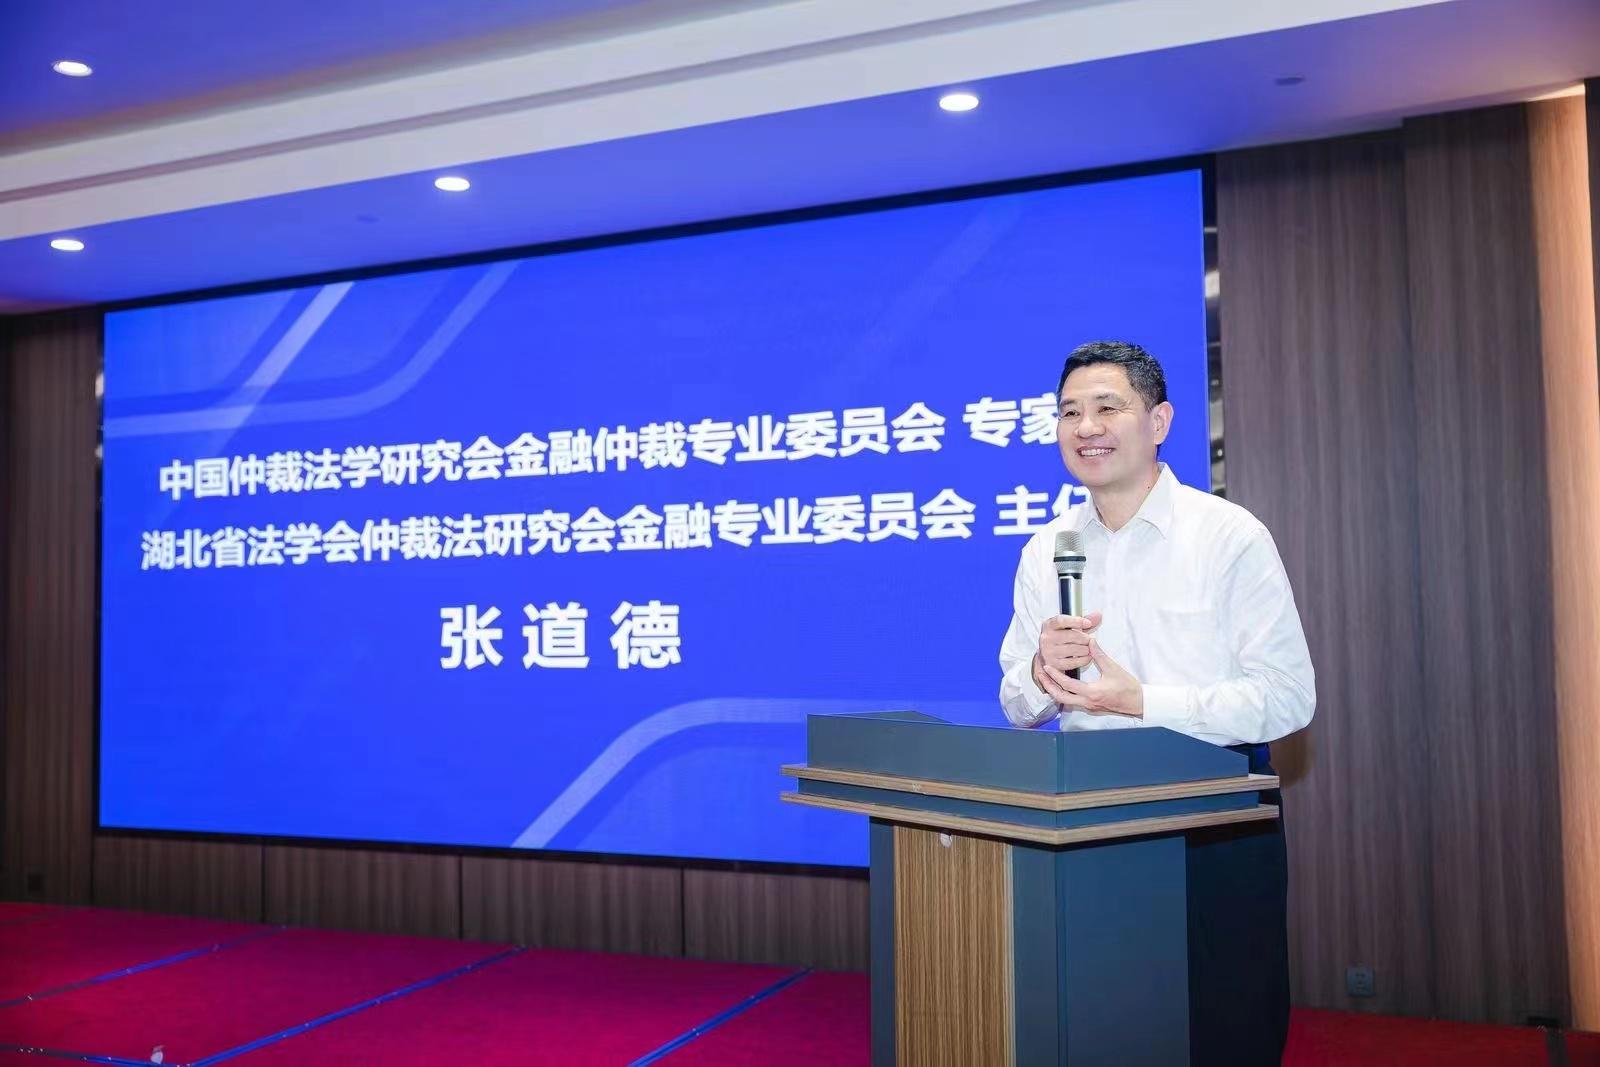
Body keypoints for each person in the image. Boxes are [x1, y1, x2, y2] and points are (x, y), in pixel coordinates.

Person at [998, 340, 1315, 1066]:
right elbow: (1016, 701)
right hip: (1087, 819)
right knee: (1104, 1026)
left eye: (1107, 407)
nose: (1086, 427)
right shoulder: (1047, 549)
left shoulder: (1228, 536)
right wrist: (1043, 672)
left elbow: (1289, 697)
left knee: (1227, 1025)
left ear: (1160, 421)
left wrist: (1143, 701)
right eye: (1069, 412)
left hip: (1214, 815)